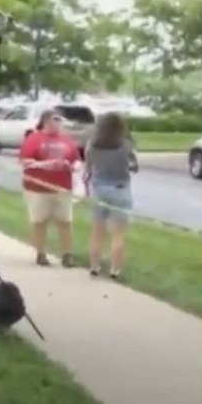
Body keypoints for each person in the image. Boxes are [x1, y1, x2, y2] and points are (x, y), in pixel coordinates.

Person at [17, 109, 80, 267]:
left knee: (65, 221)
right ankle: (40, 253)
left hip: (62, 187)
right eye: (56, 119)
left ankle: (67, 254)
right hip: (38, 187)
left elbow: (76, 160)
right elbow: (24, 161)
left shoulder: (67, 140)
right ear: (46, 121)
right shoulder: (34, 138)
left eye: (61, 119)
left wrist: (73, 167)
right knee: (40, 221)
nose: (59, 122)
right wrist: (45, 164)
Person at [82, 112, 138, 279]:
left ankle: (94, 266)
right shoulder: (125, 145)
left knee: (96, 231)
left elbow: (88, 167)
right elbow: (134, 166)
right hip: (120, 188)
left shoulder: (92, 144)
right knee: (117, 233)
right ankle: (114, 269)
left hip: (98, 189)